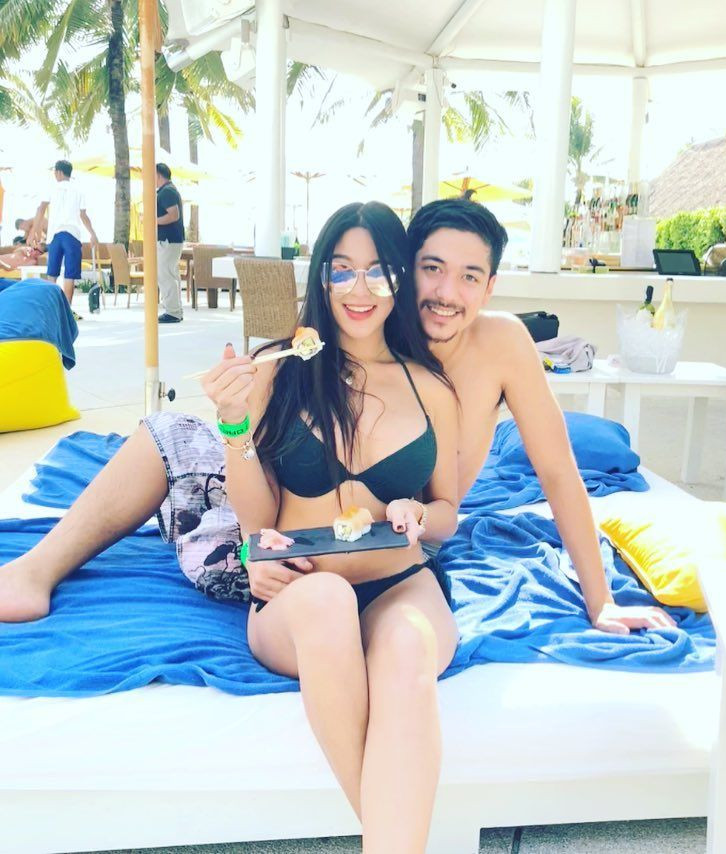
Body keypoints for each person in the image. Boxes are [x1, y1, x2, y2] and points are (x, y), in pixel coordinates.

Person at [0, 201, 459, 852]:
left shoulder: (430, 388)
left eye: (378, 271)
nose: (359, 289)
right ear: (321, 278)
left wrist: (420, 515)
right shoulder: (281, 369)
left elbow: (447, 509)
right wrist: (235, 423)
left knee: (409, 650)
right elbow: (257, 520)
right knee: (328, 600)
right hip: (299, 591)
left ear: (401, 279)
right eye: (341, 270)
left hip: (400, 583)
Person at [407, 198, 675, 635]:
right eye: (432, 268)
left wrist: (602, 602)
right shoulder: (375, 335)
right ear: (407, 270)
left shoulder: (503, 343)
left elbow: (557, 469)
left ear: (489, 287)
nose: (447, 293)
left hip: (419, 546)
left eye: (469, 276)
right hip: (338, 534)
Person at [29, 159, 99, 308]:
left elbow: (41, 209)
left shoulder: (51, 188)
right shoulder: (78, 190)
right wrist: (92, 234)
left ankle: (51, 308)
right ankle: (67, 309)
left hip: (55, 236)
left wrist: (34, 232)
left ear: (59, 172)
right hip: (72, 235)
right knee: (70, 274)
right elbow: (83, 215)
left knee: (52, 274)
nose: (54, 174)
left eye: (55, 172)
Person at [155, 162, 185, 324]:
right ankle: (175, 310)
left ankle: (173, 312)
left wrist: (153, 220)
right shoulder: (169, 190)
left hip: (168, 240)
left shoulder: (167, 192)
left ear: (158, 175)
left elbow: (174, 215)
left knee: (165, 274)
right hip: (172, 239)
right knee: (170, 274)